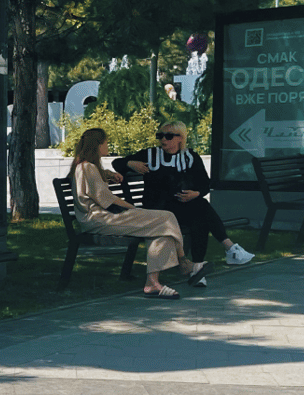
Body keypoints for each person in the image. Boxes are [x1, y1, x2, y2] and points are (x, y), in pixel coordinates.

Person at [69, 128, 208, 299]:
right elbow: (108, 199)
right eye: (105, 142)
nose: (107, 145)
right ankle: (184, 263)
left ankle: (153, 284)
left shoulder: (87, 166)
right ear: (97, 145)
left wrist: (109, 174)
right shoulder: (87, 167)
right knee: (167, 217)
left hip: (104, 217)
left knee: (162, 229)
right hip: (99, 219)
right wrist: (134, 209)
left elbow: (95, 181)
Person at [111, 121, 254, 278]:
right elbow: (116, 163)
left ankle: (199, 266)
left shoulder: (190, 157)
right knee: (201, 208)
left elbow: (205, 184)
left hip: (183, 206)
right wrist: (130, 163)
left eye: (169, 136)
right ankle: (226, 250)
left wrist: (196, 193)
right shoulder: (150, 154)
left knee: (200, 214)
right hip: (158, 209)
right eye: (160, 136)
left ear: (180, 138)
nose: (163, 140)